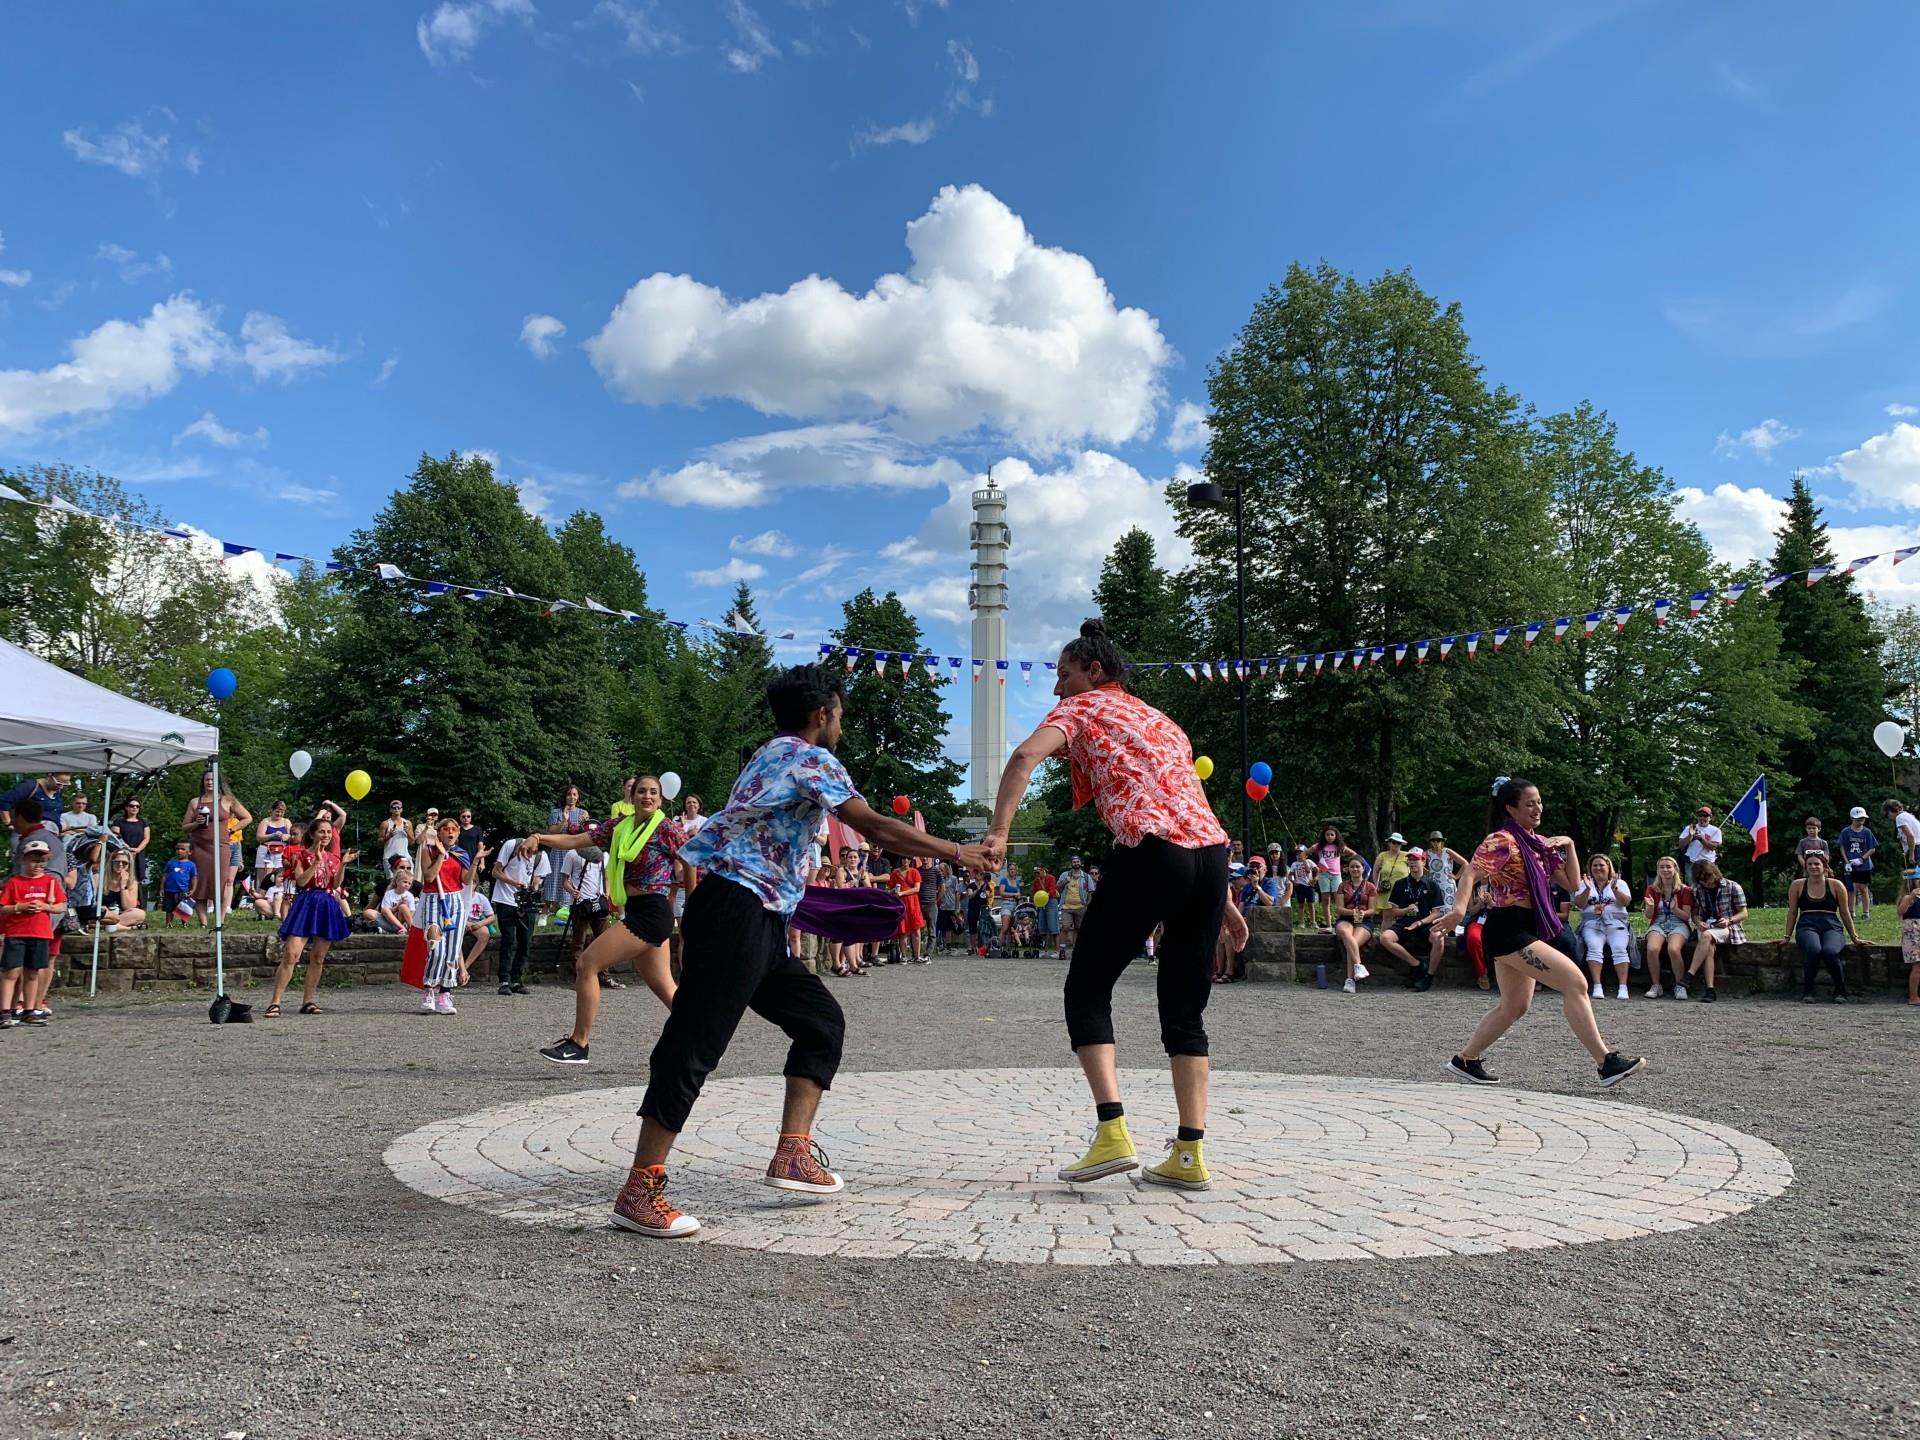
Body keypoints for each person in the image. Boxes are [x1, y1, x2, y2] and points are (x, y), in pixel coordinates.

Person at [603, 665, 988, 1239]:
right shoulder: (811, 759)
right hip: (737, 910)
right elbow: (876, 828)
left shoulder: (770, 754)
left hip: (755, 913)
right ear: (820, 714)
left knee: (820, 1022)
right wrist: (961, 851)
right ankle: (641, 1187)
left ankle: (791, 1154)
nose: (842, 724)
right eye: (839, 713)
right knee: (695, 1040)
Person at [981, 620, 1235, 1193]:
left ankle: (1112, 1132)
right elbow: (1189, 805)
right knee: (1184, 1006)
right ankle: (1190, 1152)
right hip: (1210, 857)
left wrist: (999, 832)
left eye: (1063, 675)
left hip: (1150, 851)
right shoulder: (1163, 722)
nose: (1056, 690)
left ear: (1093, 673)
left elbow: (1023, 757)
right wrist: (1224, 903)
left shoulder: (1084, 710)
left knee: (1088, 987)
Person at [1440, 777, 1645, 1089]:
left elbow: (1574, 884)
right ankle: (1606, 1063)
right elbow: (1470, 872)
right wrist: (1458, 909)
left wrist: (1571, 846)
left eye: (1539, 802)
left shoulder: (1540, 844)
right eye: (1529, 803)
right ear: (1511, 808)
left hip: (1525, 927)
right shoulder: (1501, 842)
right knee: (1576, 983)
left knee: (1515, 1006)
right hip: (1507, 928)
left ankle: (1465, 1060)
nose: (1537, 808)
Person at [537, 776, 690, 1064]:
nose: (647, 796)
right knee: (665, 987)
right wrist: (539, 837)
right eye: (641, 791)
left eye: (653, 792)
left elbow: (692, 860)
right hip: (636, 909)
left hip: (653, 912)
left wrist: (692, 902)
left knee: (588, 963)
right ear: (631, 796)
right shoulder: (620, 826)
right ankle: (703, 1039)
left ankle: (579, 1044)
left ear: (660, 798)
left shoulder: (667, 828)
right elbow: (574, 840)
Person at [264, 812, 358, 1017]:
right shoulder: (301, 855)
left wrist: (342, 864)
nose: (326, 835)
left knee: (318, 956)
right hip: (307, 902)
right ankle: (275, 1002)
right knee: (291, 954)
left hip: (326, 904)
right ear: (313, 834)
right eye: (322, 831)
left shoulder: (332, 857)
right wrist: (315, 863)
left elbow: (335, 884)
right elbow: (301, 882)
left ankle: (308, 1001)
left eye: (328, 832)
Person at [409, 817, 481, 1015]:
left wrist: (475, 861)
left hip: (455, 901)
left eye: (454, 829)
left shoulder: (461, 854)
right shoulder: (428, 851)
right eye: (446, 829)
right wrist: (441, 856)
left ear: (458, 834)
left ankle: (445, 993)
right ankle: (429, 988)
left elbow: (466, 880)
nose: (450, 832)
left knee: (452, 950)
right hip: (433, 900)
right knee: (437, 949)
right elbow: (430, 877)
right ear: (439, 833)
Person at [1, 839, 66, 1027]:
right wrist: (20, 907)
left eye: (41, 861)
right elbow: (3, 907)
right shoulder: (14, 883)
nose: (37, 865)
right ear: (24, 860)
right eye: (33, 860)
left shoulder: (50, 882)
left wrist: (45, 906)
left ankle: (30, 1009)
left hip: (40, 932)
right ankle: (5, 1010)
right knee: (11, 971)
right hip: (17, 932)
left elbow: (60, 906)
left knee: (32, 972)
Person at [1784, 851, 1860, 1004]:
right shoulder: (1798, 885)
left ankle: (1840, 990)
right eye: (1810, 864)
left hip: (1830, 924)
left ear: (1824, 866)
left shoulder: (1835, 885)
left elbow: (1845, 913)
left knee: (1830, 951)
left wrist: (1854, 936)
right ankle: (1808, 989)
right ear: (1805, 866)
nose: (1813, 867)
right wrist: (1786, 936)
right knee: (1813, 950)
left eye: (1817, 864)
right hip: (1807, 925)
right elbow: (1792, 912)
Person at [181, 771, 250, 929]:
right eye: (207, 779)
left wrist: (231, 830)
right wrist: (196, 823)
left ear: (219, 782)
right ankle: (203, 922)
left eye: (212, 779)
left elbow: (247, 817)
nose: (209, 782)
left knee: (223, 882)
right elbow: (185, 827)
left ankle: (220, 919)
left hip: (221, 846)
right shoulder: (195, 802)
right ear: (203, 782)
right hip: (200, 847)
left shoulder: (227, 800)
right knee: (200, 883)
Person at [487, 828, 550, 995]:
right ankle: (504, 980)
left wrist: (534, 888)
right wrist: (513, 882)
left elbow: (537, 877)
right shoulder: (511, 845)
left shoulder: (542, 856)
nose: (530, 854)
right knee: (508, 939)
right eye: (529, 851)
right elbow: (496, 872)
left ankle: (517, 978)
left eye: (534, 852)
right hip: (505, 898)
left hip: (525, 902)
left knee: (525, 941)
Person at [1377, 849, 1447, 990]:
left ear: (1423, 861)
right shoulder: (1400, 884)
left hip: (1424, 922)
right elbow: (1394, 911)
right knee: (1385, 938)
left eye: (1415, 859)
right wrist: (1406, 910)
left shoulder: (1432, 885)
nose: (1412, 863)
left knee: (1439, 937)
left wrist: (1421, 922)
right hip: (1405, 922)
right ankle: (1417, 965)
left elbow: (1437, 913)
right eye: (1410, 860)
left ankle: (1429, 976)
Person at [1572, 854, 1633, 1000]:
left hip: (1615, 923)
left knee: (1619, 948)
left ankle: (1623, 987)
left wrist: (1615, 889)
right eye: (1595, 865)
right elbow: (1579, 904)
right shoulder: (1584, 883)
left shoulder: (1619, 882)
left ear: (1608, 867)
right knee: (1594, 947)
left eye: (1601, 865)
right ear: (1590, 868)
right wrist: (1587, 889)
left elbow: (1626, 903)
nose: (1598, 868)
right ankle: (1597, 986)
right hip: (1592, 923)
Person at [1684, 859, 1746, 1004]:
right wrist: (1698, 922)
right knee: (1709, 947)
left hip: (1727, 926)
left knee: (1706, 936)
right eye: (1702, 881)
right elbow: (1695, 913)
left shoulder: (1732, 886)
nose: (1707, 884)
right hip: (1707, 926)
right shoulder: (1697, 890)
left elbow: (1744, 913)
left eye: (1708, 879)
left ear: (1714, 873)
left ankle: (1690, 974)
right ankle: (1710, 989)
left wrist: (1729, 920)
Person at [1642, 855, 1693, 1000]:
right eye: (1661, 867)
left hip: (1678, 923)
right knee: (1652, 949)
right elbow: (1648, 915)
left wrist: (1675, 909)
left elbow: (1686, 917)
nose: (1665, 869)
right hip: (1658, 922)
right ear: (1658, 870)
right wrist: (1650, 907)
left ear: (1675, 869)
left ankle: (1680, 985)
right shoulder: (1652, 889)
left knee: (1673, 949)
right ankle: (1656, 985)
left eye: (1668, 866)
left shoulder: (1685, 890)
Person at [560, 843, 613, 973]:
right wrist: (572, 891)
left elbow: (607, 877)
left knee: (604, 940)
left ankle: (603, 973)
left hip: (599, 902)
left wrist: (606, 894)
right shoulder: (572, 854)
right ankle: (579, 974)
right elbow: (565, 880)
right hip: (580, 903)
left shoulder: (604, 855)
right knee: (579, 941)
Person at [1332, 856, 1377, 995]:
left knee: (1352, 943)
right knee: (1346, 934)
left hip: (1364, 920)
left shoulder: (1370, 887)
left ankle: (1350, 980)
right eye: (1352, 866)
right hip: (1346, 918)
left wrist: (1363, 913)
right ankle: (1358, 965)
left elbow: (1373, 910)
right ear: (1348, 869)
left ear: (1363, 868)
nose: (1355, 869)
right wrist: (1352, 912)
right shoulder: (1343, 886)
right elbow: (1339, 908)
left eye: (1357, 866)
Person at [1311, 825, 1360, 930]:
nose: (1329, 837)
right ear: (1324, 836)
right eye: (1327, 834)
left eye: (1332, 834)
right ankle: (1329, 925)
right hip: (1323, 874)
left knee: (1339, 899)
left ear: (1336, 835)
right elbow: (1304, 854)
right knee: (1325, 899)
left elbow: (1354, 854)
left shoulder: (1339, 846)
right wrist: (1311, 866)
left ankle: (1340, 923)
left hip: (1336, 874)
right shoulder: (1319, 846)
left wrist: (1348, 866)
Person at [1839, 807, 1878, 915]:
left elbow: (1872, 848)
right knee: (1851, 889)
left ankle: (1866, 912)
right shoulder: (1846, 832)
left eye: (1862, 818)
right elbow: (1842, 847)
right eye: (1858, 819)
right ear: (1852, 818)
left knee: (1863, 888)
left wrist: (1862, 859)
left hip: (1864, 865)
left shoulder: (1867, 832)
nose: (1860, 821)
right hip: (1850, 864)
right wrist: (1847, 862)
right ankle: (1851, 911)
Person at [0, 772, 70, 832]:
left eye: (65, 785)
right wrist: (8, 823)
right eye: (58, 784)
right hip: (29, 832)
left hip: (52, 834)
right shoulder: (29, 786)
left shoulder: (57, 791)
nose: (61, 787)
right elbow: (3, 800)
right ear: (50, 776)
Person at [110, 799, 151, 899]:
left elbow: (147, 838)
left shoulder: (143, 823)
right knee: (121, 874)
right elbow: (116, 836)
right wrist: (126, 849)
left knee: (137, 876)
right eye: (132, 806)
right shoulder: (119, 822)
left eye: (137, 806)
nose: (134, 808)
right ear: (126, 807)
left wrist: (138, 849)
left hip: (138, 854)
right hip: (122, 853)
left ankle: (136, 901)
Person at [99, 849, 147, 930]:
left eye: (124, 863)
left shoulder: (132, 882)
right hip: (105, 913)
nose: (120, 864)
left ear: (129, 865)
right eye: (117, 862)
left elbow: (128, 906)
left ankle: (106, 926)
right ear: (111, 863)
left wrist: (123, 886)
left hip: (122, 914)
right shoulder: (100, 879)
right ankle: (125, 928)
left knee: (140, 914)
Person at [367, 856, 416, 934]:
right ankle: (400, 928)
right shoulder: (389, 893)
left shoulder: (409, 895)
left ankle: (411, 928)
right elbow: (385, 911)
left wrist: (407, 919)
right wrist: (397, 906)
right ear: (397, 882)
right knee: (369, 912)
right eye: (405, 882)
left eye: (409, 883)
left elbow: (412, 911)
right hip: (390, 920)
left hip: (403, 919)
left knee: (403, 907)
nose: (407, 885)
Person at [1056, 856, 1090, 961]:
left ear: (1080, 863)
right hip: (1066, 906)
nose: (1076, 863)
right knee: (1065, 927)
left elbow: (1091, 892)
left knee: (1079, 929)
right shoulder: (1065, 875)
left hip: (1081, 906)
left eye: (1077, 861)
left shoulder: (1086, 876)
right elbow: (1057, 887)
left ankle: (1078, 950)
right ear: (1071, 863)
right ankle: (1062, 950)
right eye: (1074, 862)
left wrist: (1087, 905)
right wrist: (1064, 882)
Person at [1425, 831, 1468, 913]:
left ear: (1442, 841)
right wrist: (1427, 873)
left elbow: (1465, 863)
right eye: (1433, 841)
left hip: (1447, 885)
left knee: (1449, 910)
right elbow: (1418, 862)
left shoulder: (1447, 851)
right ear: (1431, 842)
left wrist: (1457, 876)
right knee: (1435, 910)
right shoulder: (1428, 853)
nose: (1436, 843)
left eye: (1438, 840)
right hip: (1434, 885)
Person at [1677, 805, 1722, 883]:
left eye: (1705, 816)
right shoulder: (1690, 828)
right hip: (1691, 862)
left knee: (1708, 883)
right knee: (1692, 885)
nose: (1702, 818)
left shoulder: (1716, 830)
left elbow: (1713, 847)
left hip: (1708, 862)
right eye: (1700, 815)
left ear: (1710, 817)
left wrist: (1700, 838)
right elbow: (1680, 844)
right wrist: (1690, 836)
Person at [1371, 834, 1410, 917]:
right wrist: (1376, 885)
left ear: (1401, 844)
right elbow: (1375, 871)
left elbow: (1417, 866)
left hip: (1403, 890)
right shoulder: (1382, 855)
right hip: (1387, 890)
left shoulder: (1407, 855)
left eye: (1398, 843)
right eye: (1394, 842)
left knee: (1405, 916)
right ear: (1389, 843)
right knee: (1387, 918)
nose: (1396, 844)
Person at [161, 840, 197, 927]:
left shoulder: (191, 865)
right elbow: (164, 876)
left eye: (183, 849)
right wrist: (162, 888)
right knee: (169, 908)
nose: (179, 851)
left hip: (182, 890)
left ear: (190, 852)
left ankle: (184, 923)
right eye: (177, 849)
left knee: (183, 908)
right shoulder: (171, 863)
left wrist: (193, 889)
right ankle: (169, 923)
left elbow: (194, 877)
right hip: (169, 890)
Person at [1883, 799, 1920, 872]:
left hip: (1916, 848)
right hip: (1917, 847)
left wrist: (1911, 854)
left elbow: (1910, 836)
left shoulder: (1899, 818)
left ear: (1889, 812)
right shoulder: (1908, 815)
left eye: (1886, 815)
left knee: (1914, 877)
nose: (1889, 818)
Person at [1901, 870, 1920, 1007]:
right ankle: (1913, 996)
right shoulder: (1908, 897)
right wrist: (1910, 897)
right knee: (1917, 966)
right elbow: (1901, 911)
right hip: (1913, 934)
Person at [379, 800, 413, 870]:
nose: (396, 809)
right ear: (390, 810)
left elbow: (412, 842)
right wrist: (389, 836)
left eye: (398, 808)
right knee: (392, 880)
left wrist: (407, 832)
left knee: (408, 879)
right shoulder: (385, 823)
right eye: (394, 808)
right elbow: (379, 842)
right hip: (389, 857)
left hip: (404, 857)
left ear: (401, 809)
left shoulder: (408, 823)